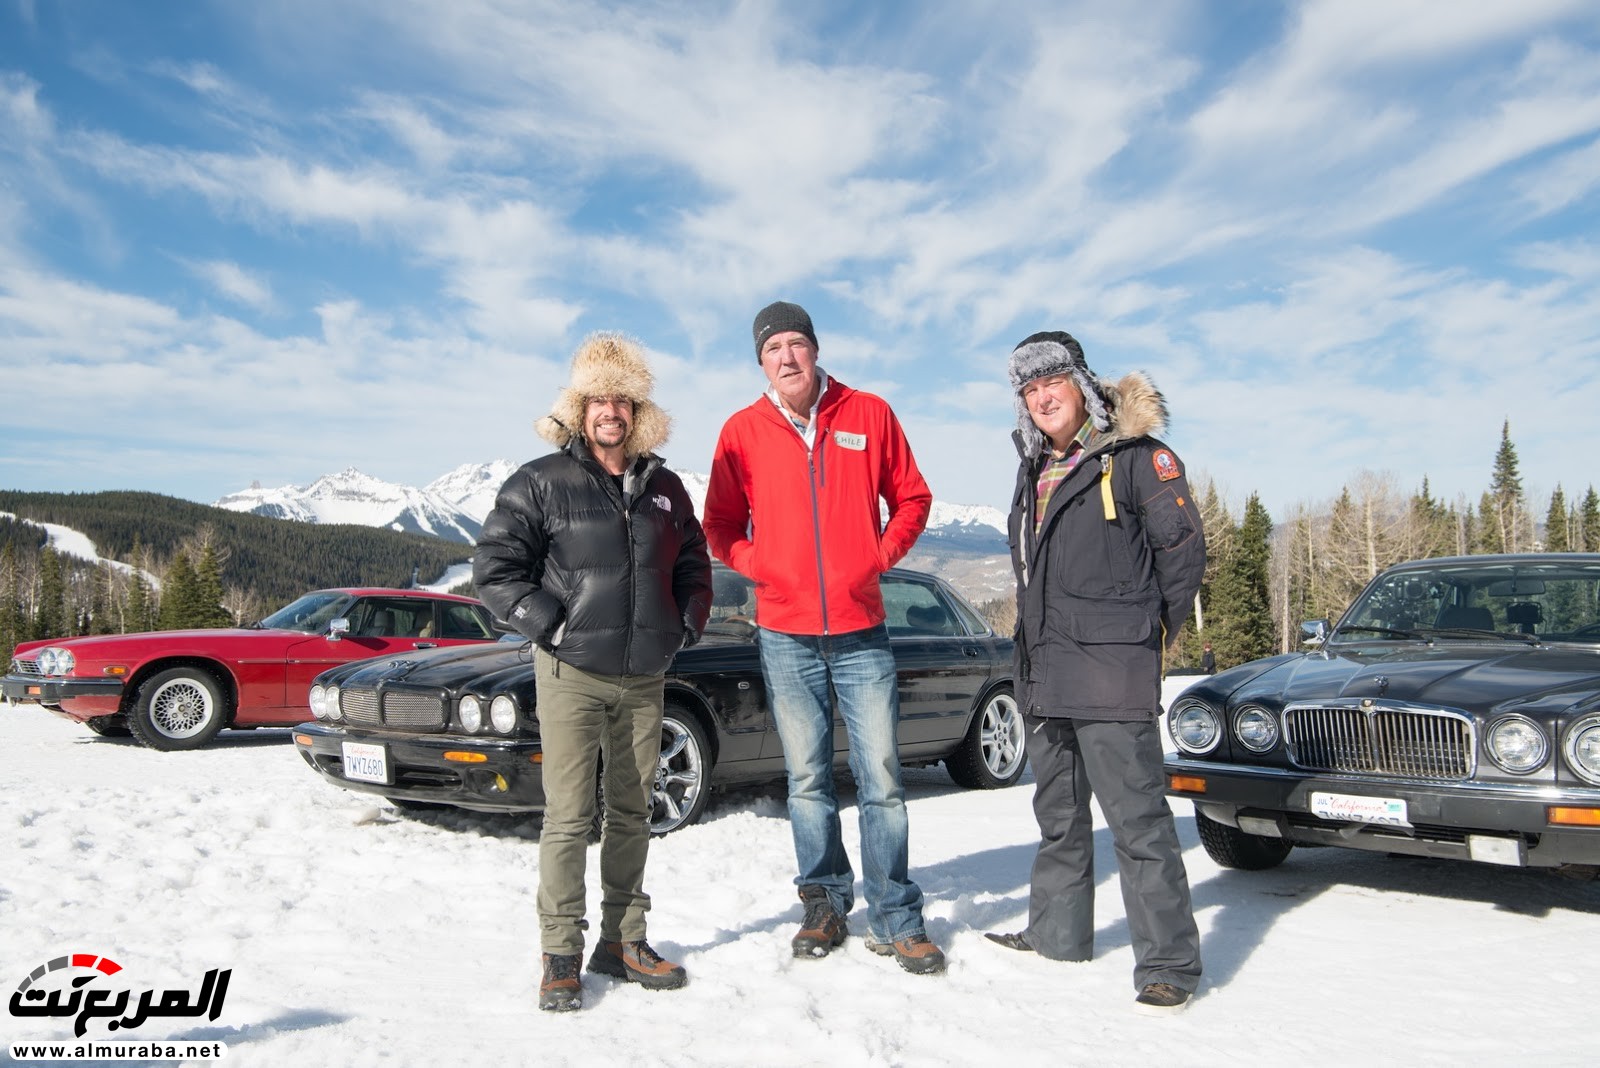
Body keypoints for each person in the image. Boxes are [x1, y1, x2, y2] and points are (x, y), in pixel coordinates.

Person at [703, 300, 944, 975]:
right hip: (785, 635)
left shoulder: (868, 413)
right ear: (761, 362)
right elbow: (719, 525)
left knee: (882, 778)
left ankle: (896, 916)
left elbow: (914, 498)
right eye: (772, 348)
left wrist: (877, 556)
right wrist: (762, 567)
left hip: (862, 630)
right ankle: (824, 903)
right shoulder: (741, 431)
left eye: (795, 343)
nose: (786, 357)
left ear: (814, 349)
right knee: (808, 780)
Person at [474, 332, 713, 1013]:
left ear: (638, 412)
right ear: (579, 409)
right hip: (571, 673)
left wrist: (684, 622)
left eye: (622, 400)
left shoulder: (665, 488)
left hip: (644, 676)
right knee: (570, 815)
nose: (611, 410)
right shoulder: (540, 482)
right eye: (598, 399)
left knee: (635, 811)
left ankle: (623, 940)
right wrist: (552, 625)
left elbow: (694, 564)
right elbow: (494, 570)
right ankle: (559, 955)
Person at [985, 330, 1206, 1015]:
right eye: (1029, 389)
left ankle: (1168, 963)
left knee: (1137, 822)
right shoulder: (1033, 468)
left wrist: (1144, 636)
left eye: (1052, 381)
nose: (1042, 397)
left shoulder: (1136, 458)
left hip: (1112, 672)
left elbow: (1182, 554)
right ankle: (1057, 934)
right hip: (1046, 670)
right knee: (1058, 815)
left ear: (1081, 384)